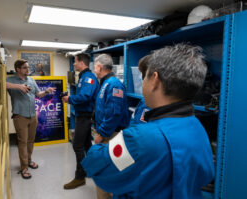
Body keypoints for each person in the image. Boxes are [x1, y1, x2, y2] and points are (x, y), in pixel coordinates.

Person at [82, 43, 215, 198]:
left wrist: (100, 146)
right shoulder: (197, 127)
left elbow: (96, 166)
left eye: (144, 76)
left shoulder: (140, 138)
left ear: (155, 80)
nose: (142, 82)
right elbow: (204, 176)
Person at [6, 59, 56, 179]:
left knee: (30, 141)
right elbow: (2, 84)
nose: (28, 70)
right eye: (25, 68)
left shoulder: (31, 80)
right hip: (20, 116)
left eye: (28, 67)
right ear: (18, 69)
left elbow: (38, 94)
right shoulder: (11, 80)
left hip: (32, 116)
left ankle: (28, 160)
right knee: (22, 142)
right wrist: (19, 87)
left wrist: (46, 91)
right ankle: (24, 168)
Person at [93, 54, 129, 199]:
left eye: (95, 66)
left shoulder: (114, 84)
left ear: (99, 67)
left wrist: (101, 133)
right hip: (108, 133)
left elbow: (115, 113)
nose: (94, 70)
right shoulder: (106, 83)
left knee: (104, 173)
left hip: (112, 135)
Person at [61, 53, 100, 189]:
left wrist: (69, 100)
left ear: (82, 62)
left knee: (77, 145)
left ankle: (80, 177)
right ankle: (90, 169)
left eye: (75, 62)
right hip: (82, 115)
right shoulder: (83, 76)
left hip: (85, 116)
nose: (74, 64)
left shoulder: (88, 78)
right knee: (86, 145)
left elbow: (86, 96)